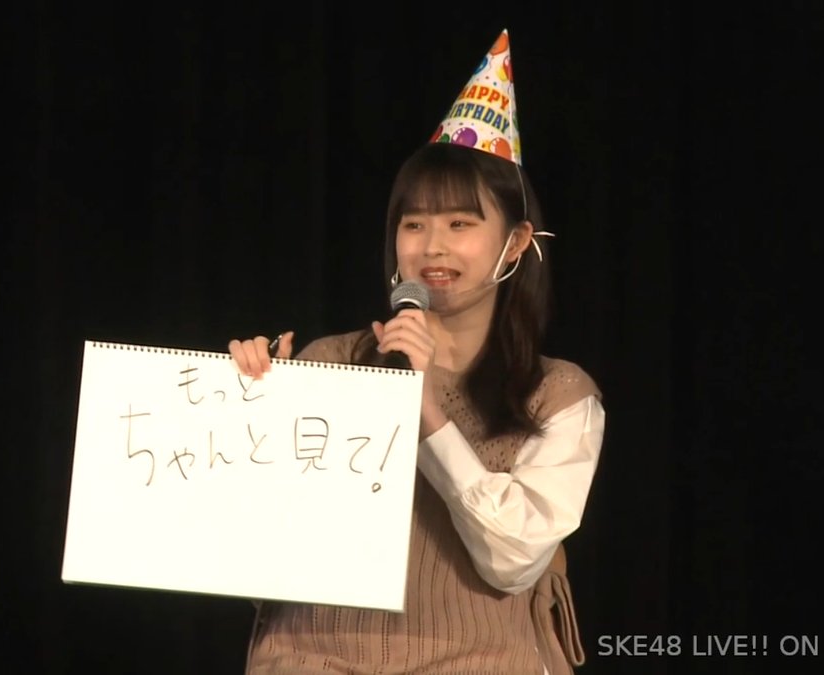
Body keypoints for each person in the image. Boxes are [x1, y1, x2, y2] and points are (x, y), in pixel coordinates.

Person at [229, 29, 605, 675]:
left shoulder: (558, 393)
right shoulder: (332, 361)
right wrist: (253, 405)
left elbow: (513, 561)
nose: (432, 245)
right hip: (313, 658)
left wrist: (427, 408)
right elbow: (254, 547)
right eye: (414, 223)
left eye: (460, 223)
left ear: (515, 243)